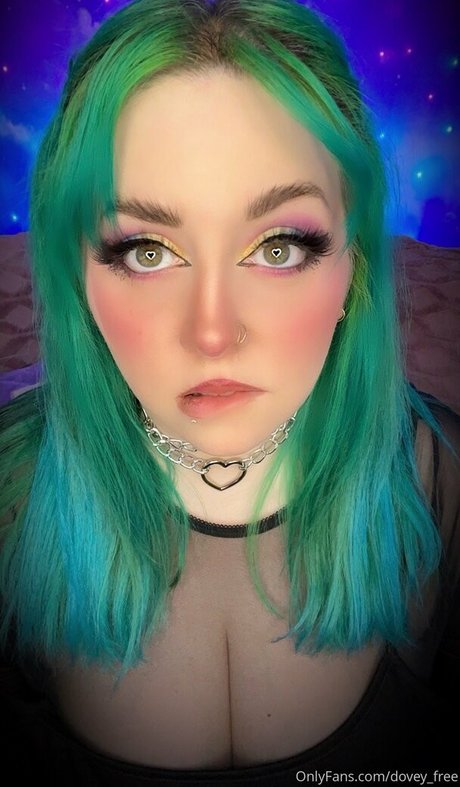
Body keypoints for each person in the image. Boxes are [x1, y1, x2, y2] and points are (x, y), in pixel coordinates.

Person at [0, 0, 459, 783]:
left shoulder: (441, 483)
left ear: (352, 266)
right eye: (147, 250)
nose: (212, 332)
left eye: (278, 246)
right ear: (79, 274)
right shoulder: (11, 499)